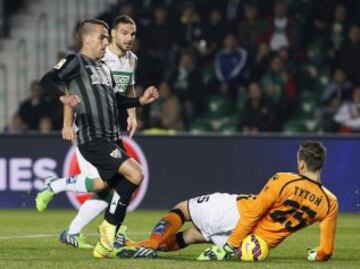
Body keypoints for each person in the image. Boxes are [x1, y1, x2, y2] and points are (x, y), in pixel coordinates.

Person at [36, 18, 159, 259]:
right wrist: (63, 100)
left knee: (116, 187)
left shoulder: (103, 66)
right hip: (94, 137)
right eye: (103, 37)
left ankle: (106, 239)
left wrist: (139, 102)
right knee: (135, 174)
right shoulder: (75, 61)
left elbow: (116, 99)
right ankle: (109, 231)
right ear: (88, 39)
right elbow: (47, 80)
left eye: (106, 37)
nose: (106, 42)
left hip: (112, 136)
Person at [125, 141, 338, 262]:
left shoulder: (285, 180)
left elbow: (253, 212)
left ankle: (150, 244)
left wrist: (229, 247)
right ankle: (149, 248)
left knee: (182, 209)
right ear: (321, 165)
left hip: (235, 214)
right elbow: (326, 250)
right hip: (254, 243)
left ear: (301, 164)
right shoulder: (330, 203)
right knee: (193, 235)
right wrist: (316, 256)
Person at [59, 15, 144, 249]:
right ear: (113, 34)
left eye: (133, 34)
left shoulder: (131, 59)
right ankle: (56, 188)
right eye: (124, 33)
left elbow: (128, 87)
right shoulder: (98, 56)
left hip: (110, 128)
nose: (129, 38)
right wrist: (67, 123)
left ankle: (109, 231)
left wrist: (133, 114)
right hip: (89, 127)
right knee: (107, 183)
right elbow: (70, 87)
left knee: (117, 183)